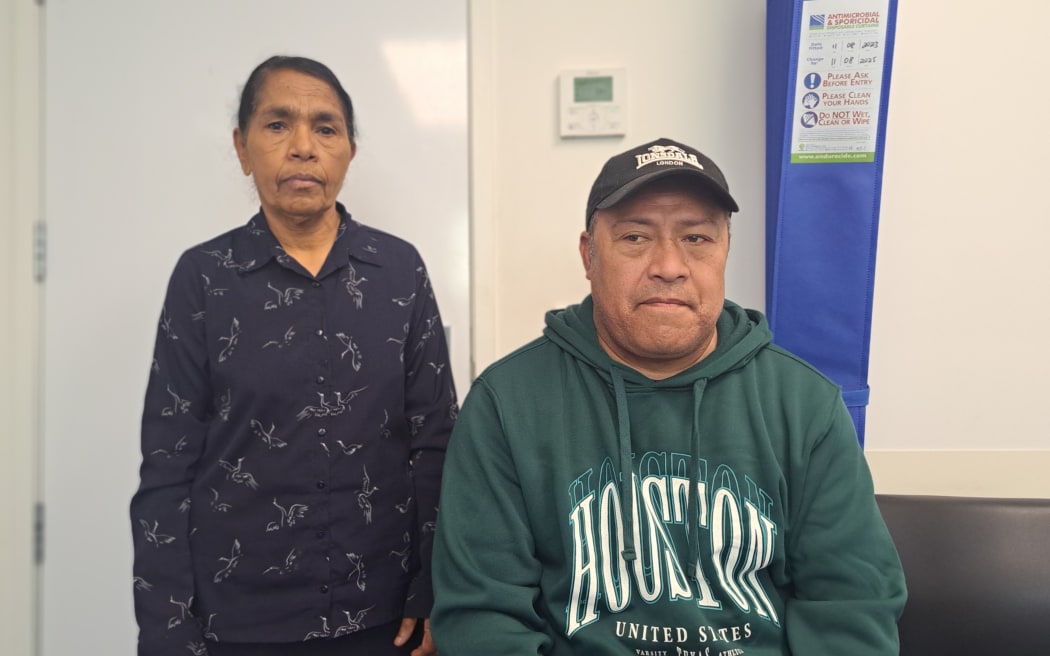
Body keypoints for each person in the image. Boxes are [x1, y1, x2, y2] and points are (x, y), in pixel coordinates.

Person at [431, 138, 905, 655]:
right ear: (590, 255)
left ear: (725, 249)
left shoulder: (805, 404)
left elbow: (851, 609)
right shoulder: (506, 404)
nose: (669, 265)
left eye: (697, 238)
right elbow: (481, 616)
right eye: (635, 236)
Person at [130, 56, 457, 656]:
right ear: (242, 146)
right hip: (236, 621)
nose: (304, 147)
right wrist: (167, 630)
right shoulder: (205, 278)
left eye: (326, 128)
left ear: (349, 150)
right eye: (278, 124)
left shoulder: (399, 271)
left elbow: (434, 441)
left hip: (384, 620)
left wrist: (436, 587)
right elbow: (167, 465)